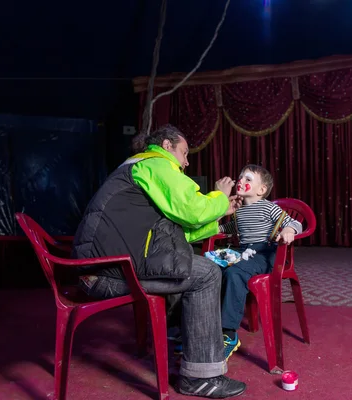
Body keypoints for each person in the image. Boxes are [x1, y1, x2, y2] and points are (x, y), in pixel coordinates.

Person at [71, 124, 246, 398]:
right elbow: (190, 211)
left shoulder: (135, 167)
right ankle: (200, 376)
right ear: (166, 146)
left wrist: (221, 214)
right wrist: (220, 196)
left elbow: (178, 230)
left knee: (186, 263)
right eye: (184, 153)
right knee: (207, 273)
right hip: (106, 272)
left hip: (100, 267)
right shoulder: (154, 164)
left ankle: (184, 340)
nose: (187, 162)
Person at [217, 165, 303, 361]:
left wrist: (289, 230)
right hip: (245, 252)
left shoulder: (268, 206)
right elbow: (222, 228)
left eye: (248, 179)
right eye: (240, 177)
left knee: (235, 273)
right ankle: (207, 323)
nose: (241, 181)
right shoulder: (239, 212)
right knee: (212, 268)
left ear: (261, 190)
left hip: (266, 253)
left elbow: (294, 222)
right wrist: (219, 211)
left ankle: (228, 333)